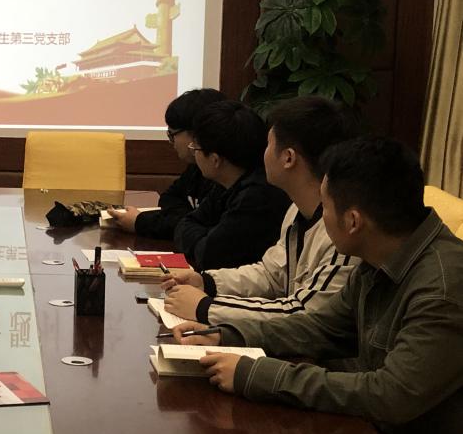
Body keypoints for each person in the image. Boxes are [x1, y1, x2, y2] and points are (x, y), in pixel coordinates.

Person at [173, 136, 463, 434]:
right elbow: (319, 327)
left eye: (325, 206)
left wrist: (258, 375)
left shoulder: (443, 289)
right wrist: (227, 336)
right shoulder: (382, 254)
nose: (320, 218)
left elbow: (391, 395)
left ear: (353, 221)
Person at [163, 96, 359, 324]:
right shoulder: (296, 210)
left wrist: (207, 308)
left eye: (268, 145)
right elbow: (271, 275)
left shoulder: (341, 230)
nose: (262, 154)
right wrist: (207, 282)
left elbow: (306, 315)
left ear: (288, 158)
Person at [172, 100, 290, 270]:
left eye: (195, 148)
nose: (194, 154)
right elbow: (184, 224)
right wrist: (206, 236)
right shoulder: (225, 184)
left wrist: (206, 237)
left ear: (215, 160)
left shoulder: (257, 197)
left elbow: (209, 255)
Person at [106, 88, 224, 238]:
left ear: (196, 134)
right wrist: (187, 217)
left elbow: (204, 230)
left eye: (172, 134)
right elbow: (169, 197)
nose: (171, 142)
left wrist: (140, 222)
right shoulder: (196, 168)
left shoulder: (222, 178)